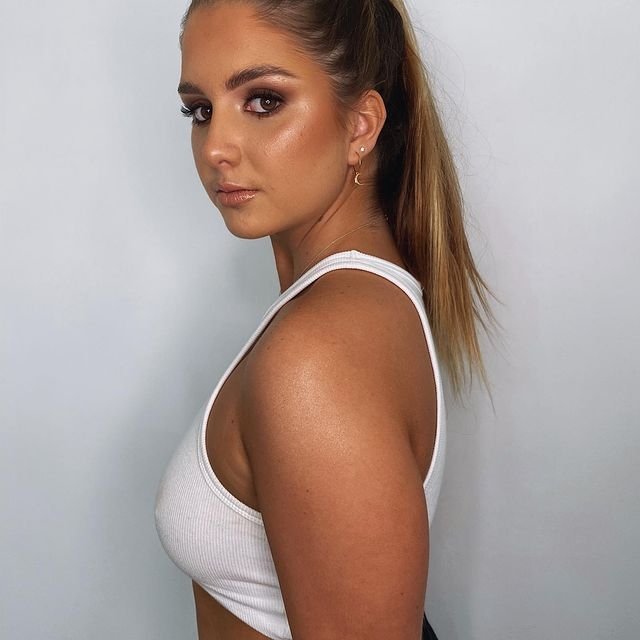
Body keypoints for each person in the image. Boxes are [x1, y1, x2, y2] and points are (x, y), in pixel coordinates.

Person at [155, 1, 494, 639]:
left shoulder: (318, 354)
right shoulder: (347, 313)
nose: (216, 147)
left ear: (361, 125)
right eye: (199, 110)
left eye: (262, 101)